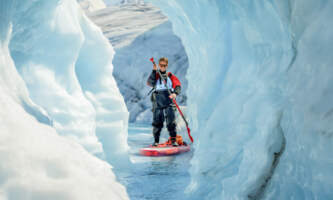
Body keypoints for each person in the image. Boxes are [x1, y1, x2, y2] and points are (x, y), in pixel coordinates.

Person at [147, 57, 181, 147]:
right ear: (158, 65)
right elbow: (150, 83)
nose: (162, 67)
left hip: (169, 99)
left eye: (164, 65)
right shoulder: (156, 75)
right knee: (157, 122)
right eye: (161, 65)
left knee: (171, 121)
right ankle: (156, 141)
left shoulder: (170, 75)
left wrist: (175, 94)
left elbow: (177, 85)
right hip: (158, 101)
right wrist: (154, 71)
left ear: (167, 66)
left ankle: (173, 140)